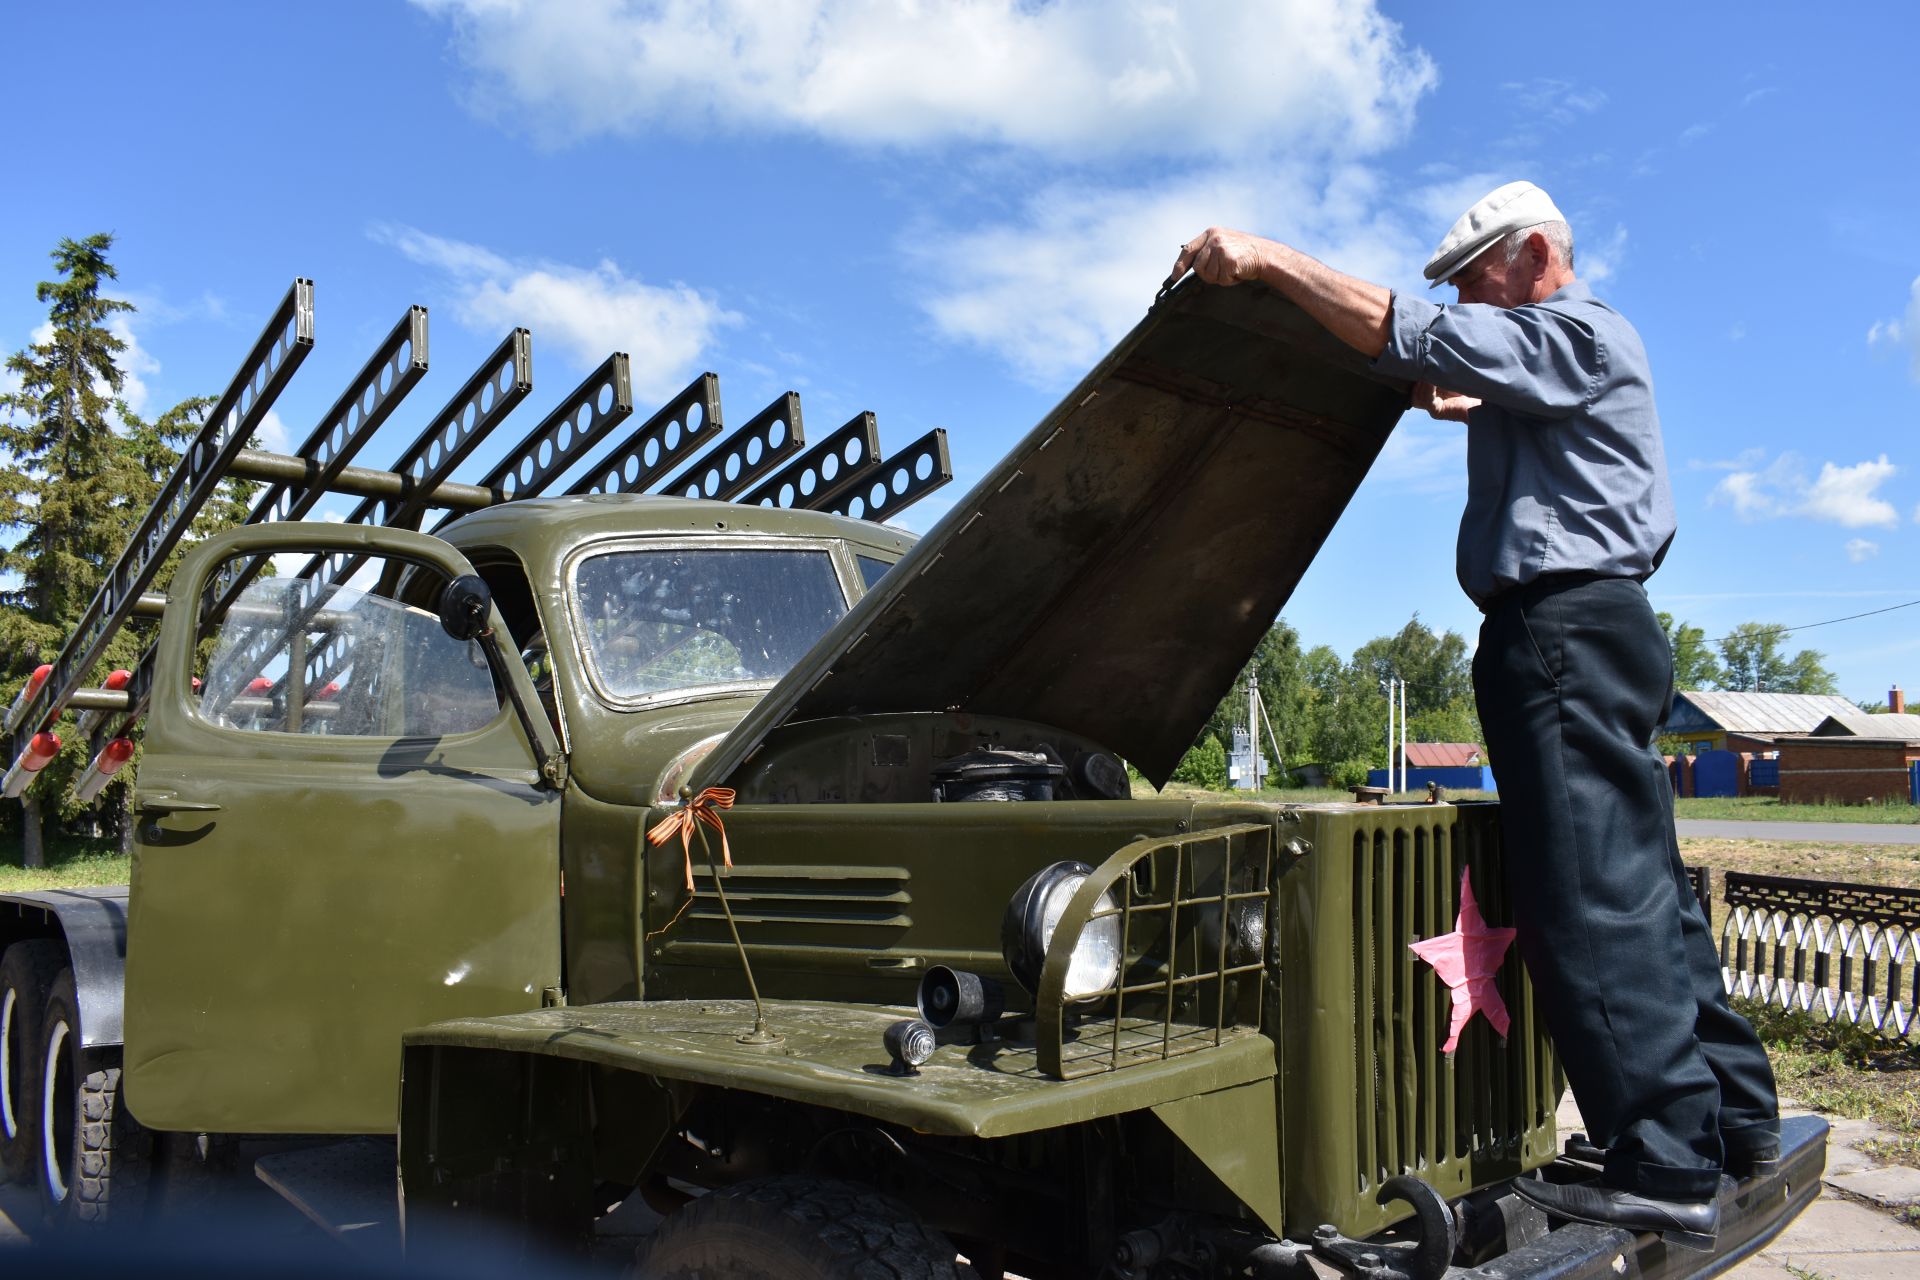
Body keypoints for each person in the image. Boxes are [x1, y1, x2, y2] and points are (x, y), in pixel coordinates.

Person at [1170, 181, 1778, 1250]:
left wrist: (1265, 260)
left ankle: (1664, 1161)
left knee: (1589, 896)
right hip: (1598, 626)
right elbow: (1433, 379)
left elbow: (1422, 335)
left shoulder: (1571, 334)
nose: (1461, 299)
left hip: (1561, 634)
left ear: (1534, 253)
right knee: (1648, 888)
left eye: (1472, 279)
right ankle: (1735, 1121)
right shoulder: (1558, 357)